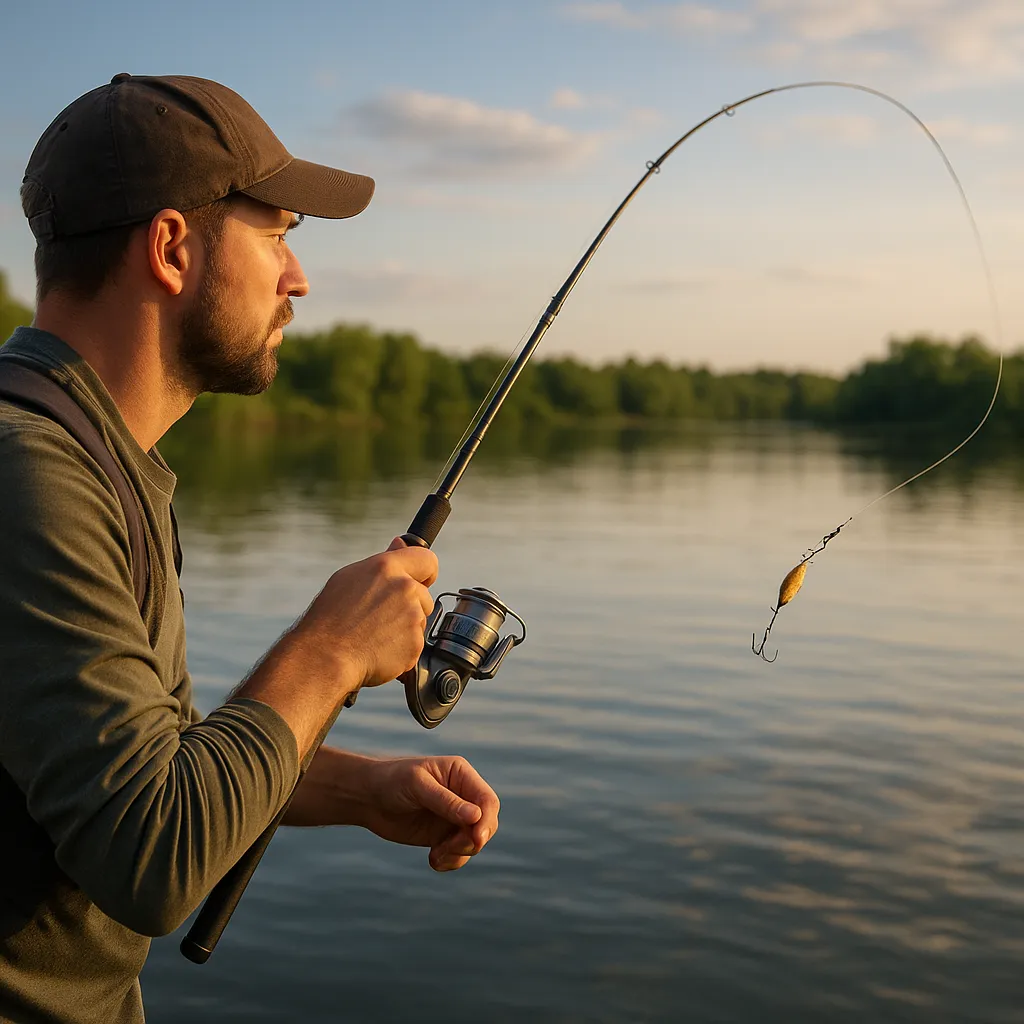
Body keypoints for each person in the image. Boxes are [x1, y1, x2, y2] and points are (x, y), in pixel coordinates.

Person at [0, 74, 500, 1024]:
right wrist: (332, 647)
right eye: (277, 234)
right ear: (172, 247)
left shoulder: (93, 457)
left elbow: (159, 760)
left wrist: (361, 788)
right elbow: (150, 853)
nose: (299, 279)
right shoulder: (32, 478)